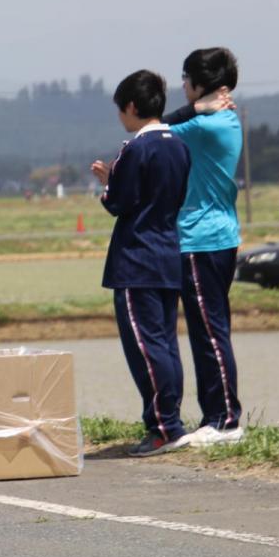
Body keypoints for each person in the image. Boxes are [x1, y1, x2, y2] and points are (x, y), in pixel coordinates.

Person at [91, 71, 191, 457]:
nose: (121, 117)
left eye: (121, 110)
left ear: (132, 107)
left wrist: (108, 183)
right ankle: (171, 419)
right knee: (165, 343)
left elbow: (119, 202)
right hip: (168, 252)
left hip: (137, 259)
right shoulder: (178, 146)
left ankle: (164, 427)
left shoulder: (136, 149)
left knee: (145, 347)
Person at [161, 48, 246, 446]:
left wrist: (194, 108)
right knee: (210, 329)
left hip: (200, 239)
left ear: (201, 83)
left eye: (185, 78)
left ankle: (225, 420)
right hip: (219, 236)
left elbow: (149, 131)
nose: (182, 85)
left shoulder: (204, 125)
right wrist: (200, 106)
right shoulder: (225, 119)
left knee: (209, 332)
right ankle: (216, 415)